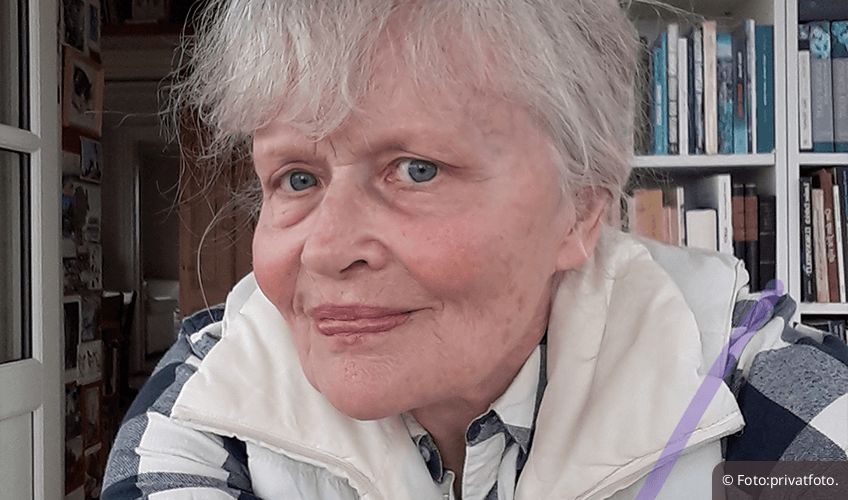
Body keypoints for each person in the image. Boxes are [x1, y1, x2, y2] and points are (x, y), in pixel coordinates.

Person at [102, 1, 848, 499]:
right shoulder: (209, 392)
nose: (325, 250)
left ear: (582, 209)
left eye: (416, 170)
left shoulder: (749, 381)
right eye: (298, 178)